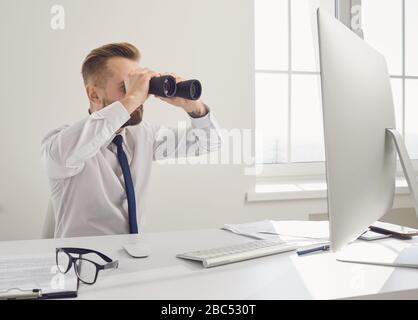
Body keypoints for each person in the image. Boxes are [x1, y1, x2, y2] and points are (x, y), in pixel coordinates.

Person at [41, 42, 222, 238]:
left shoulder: (142, 136)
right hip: (83, 264)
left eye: (141, 86)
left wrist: (193, 106)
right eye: (125, 87)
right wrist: (133, 96)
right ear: (93, 94)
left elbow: (209, 141)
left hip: (135, 258)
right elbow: (65, 155)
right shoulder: (62, 143)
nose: (141, 97)